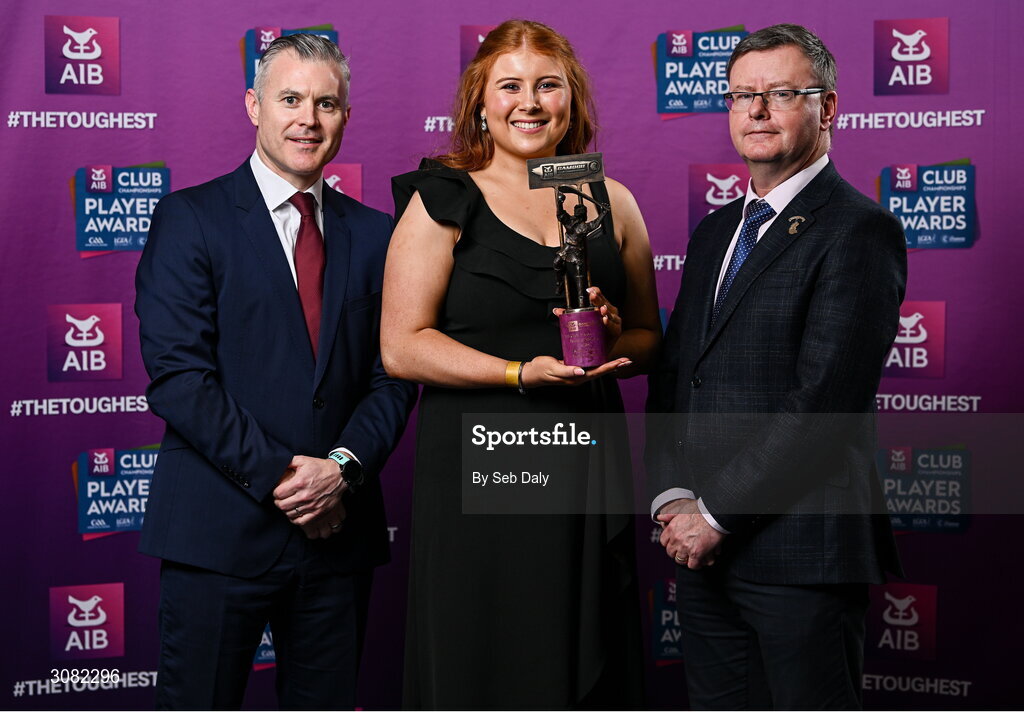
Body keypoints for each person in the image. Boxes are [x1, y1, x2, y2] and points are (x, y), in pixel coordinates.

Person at [381, 19, 660, 709]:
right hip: (484, 466)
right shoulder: (442, 200)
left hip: (581, 466)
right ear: (480, 101)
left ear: (572, 100)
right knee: (491, 650)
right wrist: (518, 373)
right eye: (509, 86)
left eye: (547, 85)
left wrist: (616, 337)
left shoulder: (608, 200)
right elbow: (401, 345)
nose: (528, 102)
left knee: (579, 645)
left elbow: (651, 337)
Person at [134, 34, 415, 710]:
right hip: (218, 533)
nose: (307, 119)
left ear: (347, 116)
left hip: (337, 539)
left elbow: (395, 374)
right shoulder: (190, 218)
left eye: (326, 103)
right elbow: (178, 377)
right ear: (254, 105)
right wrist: (290, 480)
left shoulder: (378, 234)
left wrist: (341, 469)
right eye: (290, 99)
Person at [647, 24, 906, 710]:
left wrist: (715, 515)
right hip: (702, 554)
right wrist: (674, 496)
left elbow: (822, 403)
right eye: (742, 95)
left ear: (829, 108)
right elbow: (678, 378)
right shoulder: (712, 234)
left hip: (800, 554)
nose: (757, 110)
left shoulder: (859, 229)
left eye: (782, 93)